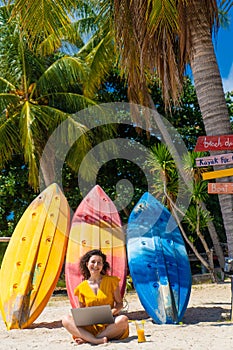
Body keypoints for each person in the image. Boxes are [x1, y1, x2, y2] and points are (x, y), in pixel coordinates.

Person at [62, 249, 129, 345]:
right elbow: (81, 311)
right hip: (90, 326)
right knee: (65, 319)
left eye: (99, 263)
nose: (96, 265)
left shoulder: (111, 282)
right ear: (87, 264)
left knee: (123, 319)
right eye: (93, 262)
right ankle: (94, 339)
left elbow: (119, 304)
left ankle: (91, 339)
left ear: (103, 265)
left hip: (109, 325)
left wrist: (111, 312)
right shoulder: (81, 288)